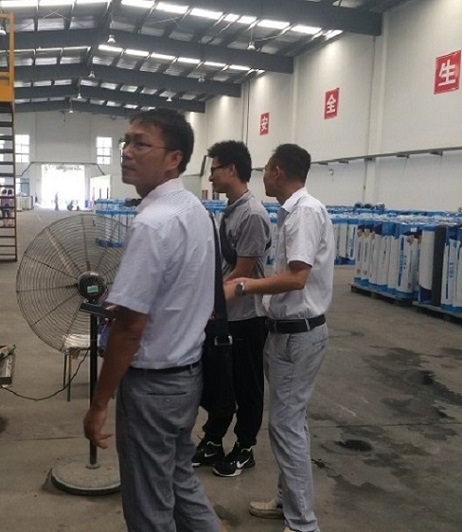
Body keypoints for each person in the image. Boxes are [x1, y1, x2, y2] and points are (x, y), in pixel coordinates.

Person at [83, 108, 226, 532]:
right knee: (180, 480)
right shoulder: (195, 210)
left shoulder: (152, 223)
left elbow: (130, 329)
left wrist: (98, 403)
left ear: (173, 159)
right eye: (125, 142)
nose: (127, 152)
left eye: (141, 143)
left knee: (149, 509)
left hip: (152, 386)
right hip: (186, 377)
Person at [224, 143, 335, 532]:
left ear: (278, 171)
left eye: (266, 169)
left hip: (297, 336)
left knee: (286, 427)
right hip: (289, 334)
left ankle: (303, 523)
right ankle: (288, 501)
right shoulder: (295, 212)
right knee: (292, 423)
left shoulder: (304, 213)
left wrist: (242, 286)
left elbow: (297, 277)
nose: (263, 177)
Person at [192, 141, 270, 478]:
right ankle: (213, 440)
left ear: (232, 170)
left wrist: (212, 302)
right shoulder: (232, 209)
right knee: (220, 382)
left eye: (214, 169)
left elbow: (243, 273)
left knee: (246, 385)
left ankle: (245, 446)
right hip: (224, 315)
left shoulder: (252, 214)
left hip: (246, 317)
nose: (210, 175)